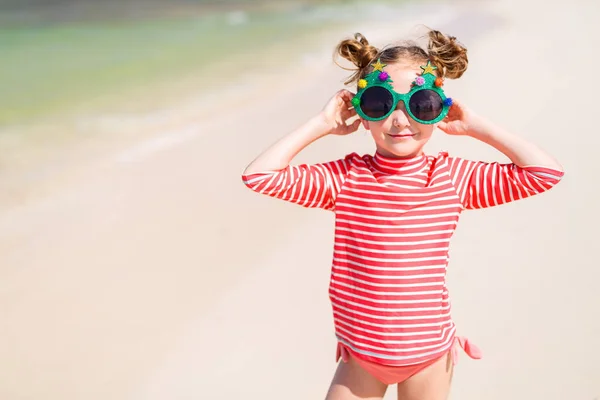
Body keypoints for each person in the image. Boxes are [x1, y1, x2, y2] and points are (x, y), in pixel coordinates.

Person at [241, 28, 563, 400]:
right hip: (360, 356)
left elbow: (544, 173)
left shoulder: (452, 177)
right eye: (380, 104)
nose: (399, 119)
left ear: (441, 108)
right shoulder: (346, 178)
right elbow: (260, 176)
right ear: (361, 111)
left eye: (421, 104)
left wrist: (476, 127)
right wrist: (322, 125)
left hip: (429, 353)